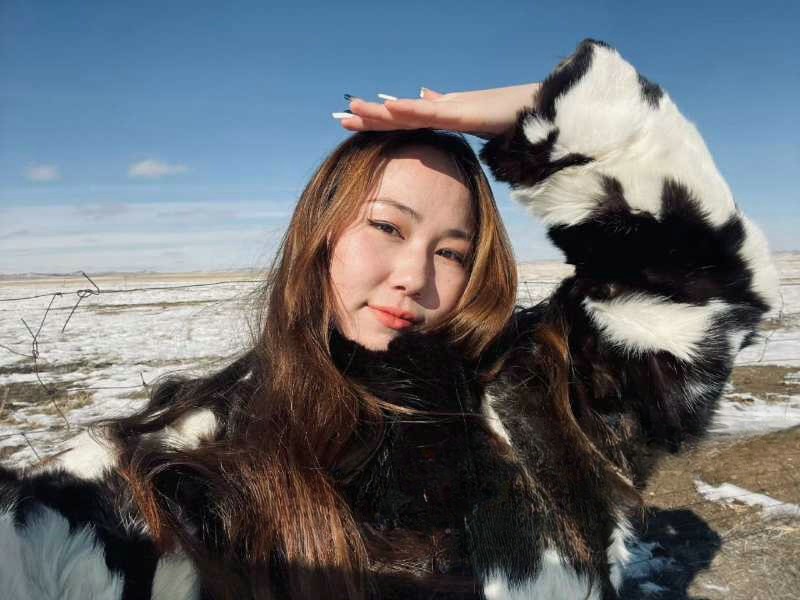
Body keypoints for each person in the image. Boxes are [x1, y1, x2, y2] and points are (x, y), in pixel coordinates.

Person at [0, 39, 777, 600]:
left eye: (452, 250)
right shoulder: (177, 459)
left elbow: (705, 283)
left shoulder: (545, 402)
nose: (414, 275)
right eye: (387, 227)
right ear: (322, 235)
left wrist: (557, 126)